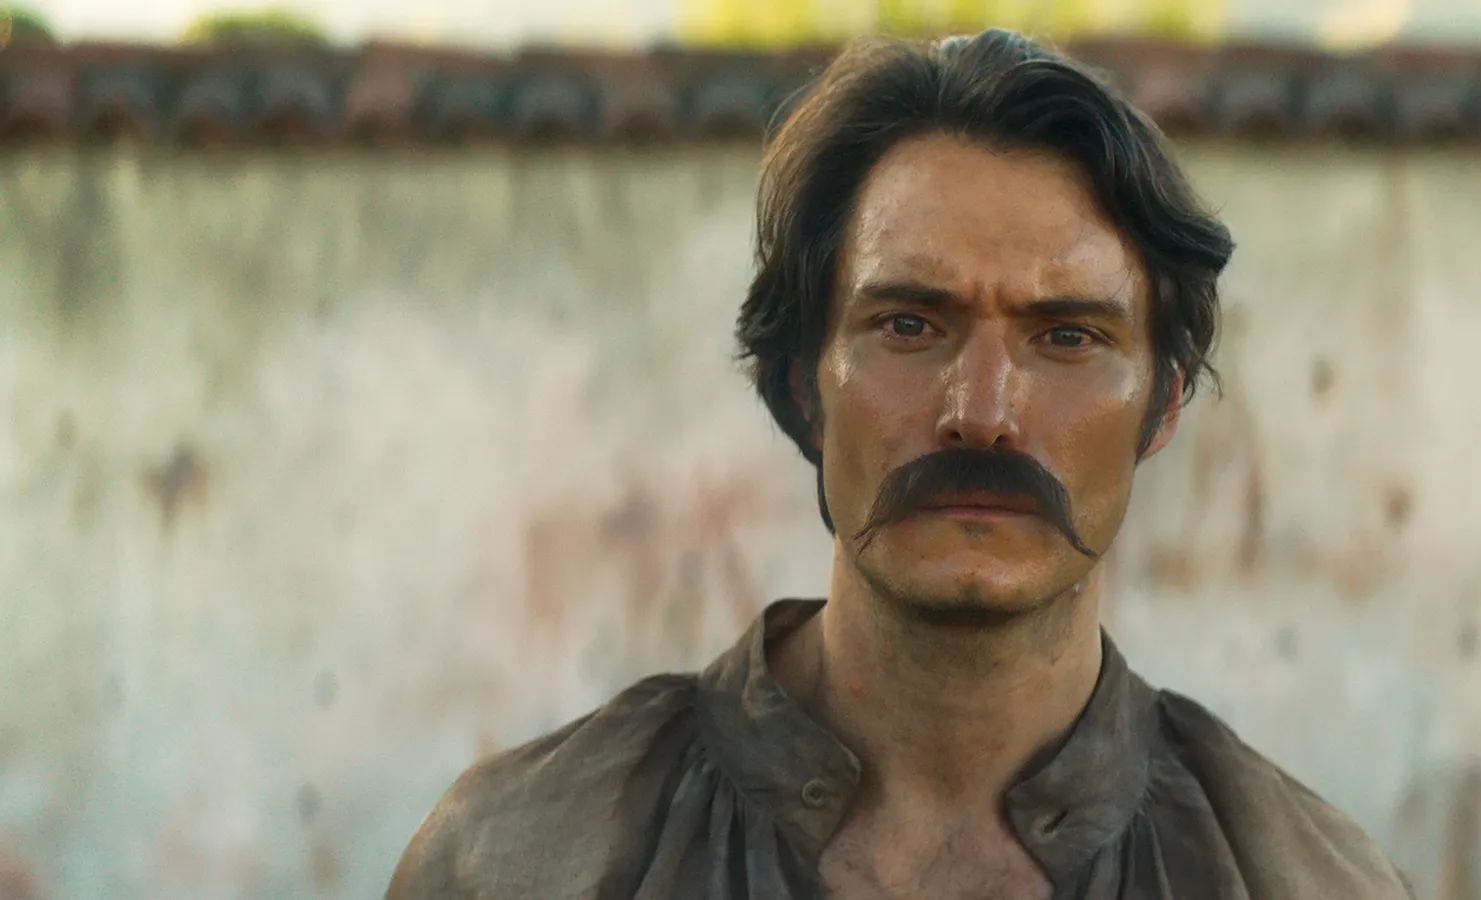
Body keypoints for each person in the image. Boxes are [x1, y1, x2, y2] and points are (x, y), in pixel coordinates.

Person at [387, 29, 1414, 900]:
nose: (983, 415)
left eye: (1066, 337)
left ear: (1163, 404)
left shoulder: (1305, 880)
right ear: (803, 385)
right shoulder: (520, 859)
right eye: (910, 324)